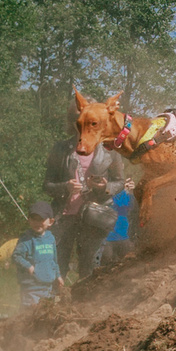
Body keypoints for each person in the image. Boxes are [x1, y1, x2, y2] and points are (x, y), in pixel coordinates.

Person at [44, 119, 129, 280]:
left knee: (90, 268)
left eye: (93, 123)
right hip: (63, 216)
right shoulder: (61, 149)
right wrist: (65, 187)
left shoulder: (109, 150)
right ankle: (53, 303)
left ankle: (85, 304)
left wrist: (104, 187)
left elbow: (120, 182)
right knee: (56, 266)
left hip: (94, 217)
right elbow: (47, 185)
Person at [13, 201, 61, 304]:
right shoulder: (26, 239)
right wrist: (29, 266)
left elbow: (54, 260)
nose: (37, 222)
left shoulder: (50, 238)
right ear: (29, 220)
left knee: (46, 313)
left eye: (41, 219)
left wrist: (58, 275)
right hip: (31, 287)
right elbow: (16, 256)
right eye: (34, 219)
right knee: (30, 314)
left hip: (48, 286)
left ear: (51, 222)